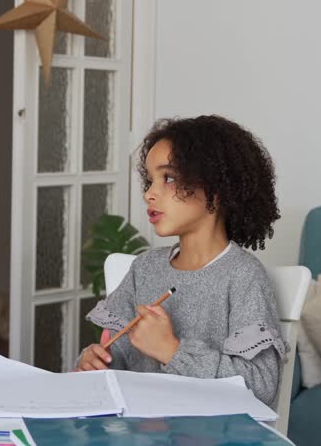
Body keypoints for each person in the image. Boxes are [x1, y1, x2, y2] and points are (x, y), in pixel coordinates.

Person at [77, 115, 284, 405]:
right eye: (150, 180)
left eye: (169, 178)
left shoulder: (243, 276)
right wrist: (94, 362)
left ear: (217, 186)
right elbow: (116, 357)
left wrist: (173, 351)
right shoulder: (144, 269)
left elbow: (261, 389)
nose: (149, 193)